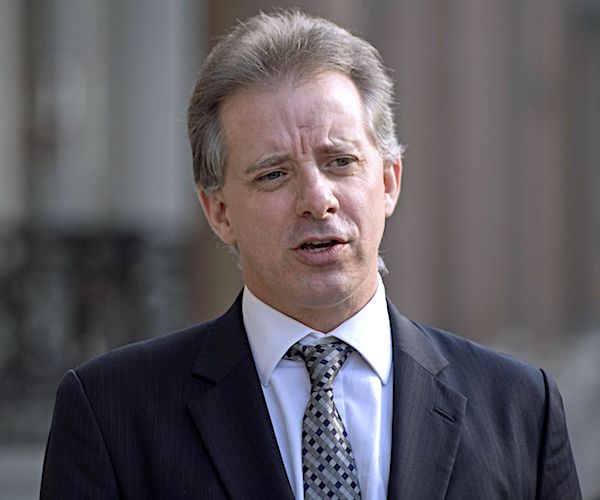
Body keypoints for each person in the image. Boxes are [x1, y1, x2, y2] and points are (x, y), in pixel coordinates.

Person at [40, 9, 581, 500]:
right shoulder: (112, 412)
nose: (317, 200)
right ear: (219, 211)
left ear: (389, 181)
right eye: (274, 174)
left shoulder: (520, 408)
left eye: (340, 162)